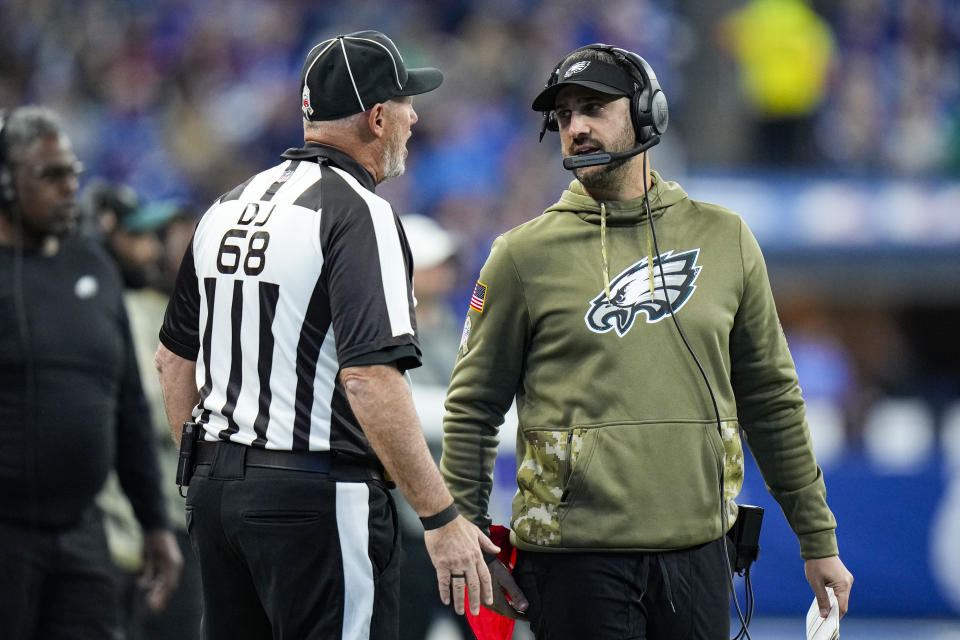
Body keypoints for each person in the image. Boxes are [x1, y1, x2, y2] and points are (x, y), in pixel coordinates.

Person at [440, 44, 854, 640]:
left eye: (593, 108)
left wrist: (818, 540)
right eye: (563, 117)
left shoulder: (726, 238)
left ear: (646, 113)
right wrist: (470, 536)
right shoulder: (521, 256)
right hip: (571, 559)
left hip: (701, 551)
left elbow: (771, 399)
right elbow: (473, 406)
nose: (575, 127)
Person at [154, 30, 497, 640]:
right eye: (406, 105)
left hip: (215, 492)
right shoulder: (359, 214)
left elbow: (172, 362)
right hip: (315, 496)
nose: (414, 118)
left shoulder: (226, 206)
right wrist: (440, 517)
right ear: (376, 116)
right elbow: (367, 378)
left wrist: (207, 482)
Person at [0, 106, 182, 639]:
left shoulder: (93, 266)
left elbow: (125, 406)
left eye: (72, 173)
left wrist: (154, 522)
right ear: (7, 184)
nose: (69, 188)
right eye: (50, 176)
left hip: (83, 531)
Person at [86, 183, 204, 640]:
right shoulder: (128, 307)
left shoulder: (192, 309)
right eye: (151, 238)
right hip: (137, 517)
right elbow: (148, 409)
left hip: (179, 513)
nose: (155, 249)